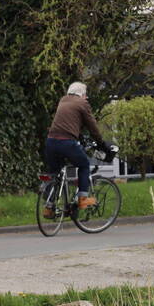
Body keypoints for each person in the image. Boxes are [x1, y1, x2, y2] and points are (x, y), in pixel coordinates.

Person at [44, 82, 109, 210]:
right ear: (82, 94)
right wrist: (101, 143)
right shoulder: (82, 103)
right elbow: (92, 126)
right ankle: (83, 200)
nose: (86, 98)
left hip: (51, 141)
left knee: (54, 173)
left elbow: (67, 122)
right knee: (84, 165)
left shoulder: (63, 100)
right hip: (66, 142)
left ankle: (48, 207)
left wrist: (78, 135)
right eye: (85, 95)